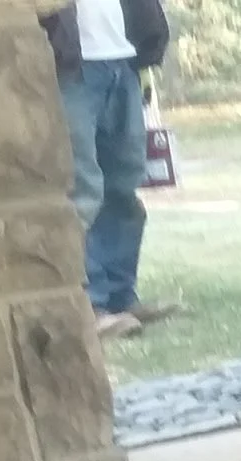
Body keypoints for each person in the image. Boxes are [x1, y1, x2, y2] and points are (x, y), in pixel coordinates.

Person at [40, 0, 180, 340]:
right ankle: (90, 305)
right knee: (83, 189)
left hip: (121, 61)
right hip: (71, 68)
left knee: (123, 184)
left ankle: (120, 298)